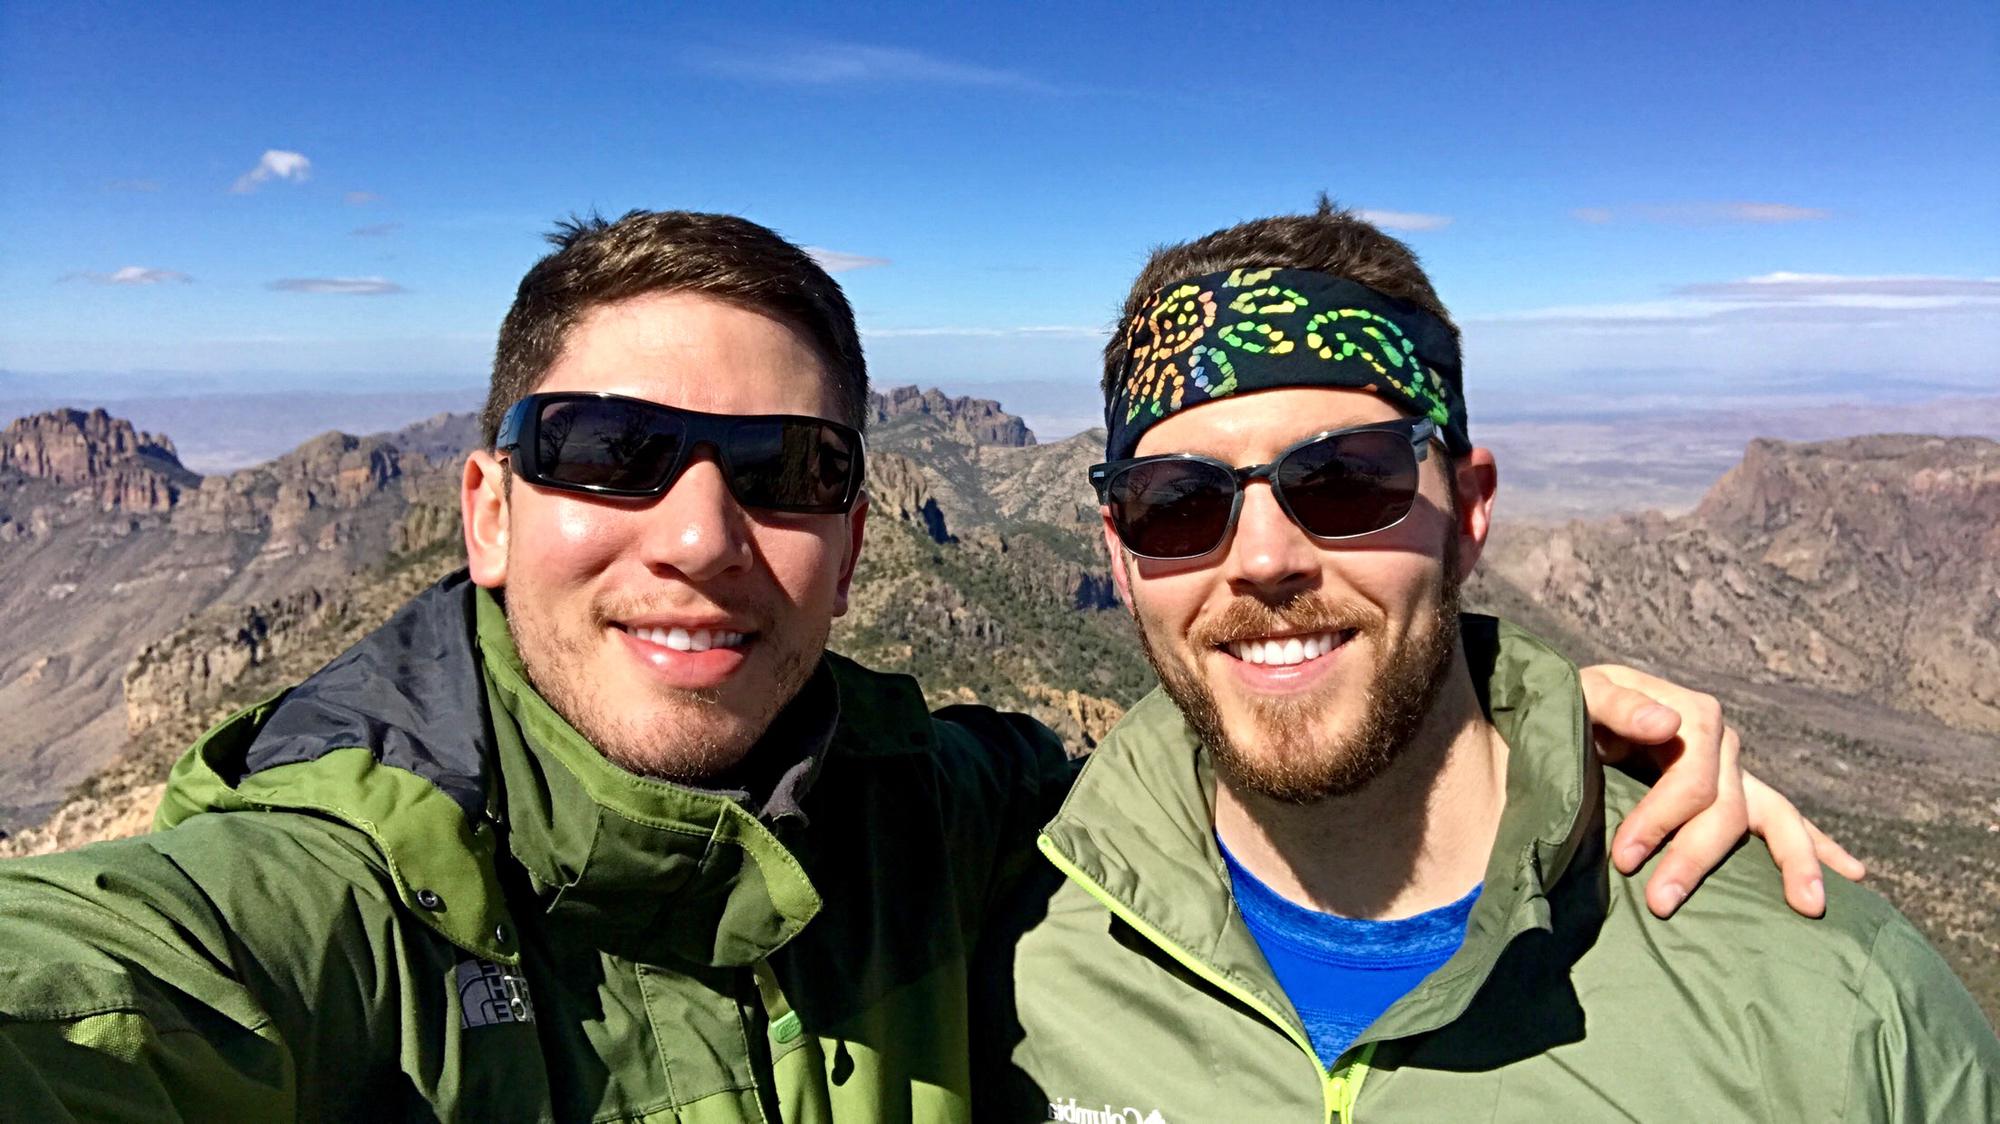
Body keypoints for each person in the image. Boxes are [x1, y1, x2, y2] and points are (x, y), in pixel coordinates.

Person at [0, 209, 1858, 1121]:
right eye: (607, 454)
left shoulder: (964, 830)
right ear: (484, 508)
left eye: (786, 474)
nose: (702, 535)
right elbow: (99, 986)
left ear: (860, 535)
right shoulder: (334, 895)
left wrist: (1520, 730)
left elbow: (1237, 777)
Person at [980, 201, 2000, 1122]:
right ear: (1117, 554)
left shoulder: (1832, 1011)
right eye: (1177, 502)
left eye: (1342, 480)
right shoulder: (1006, 930)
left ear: (1468, 511)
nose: (1261, 559)